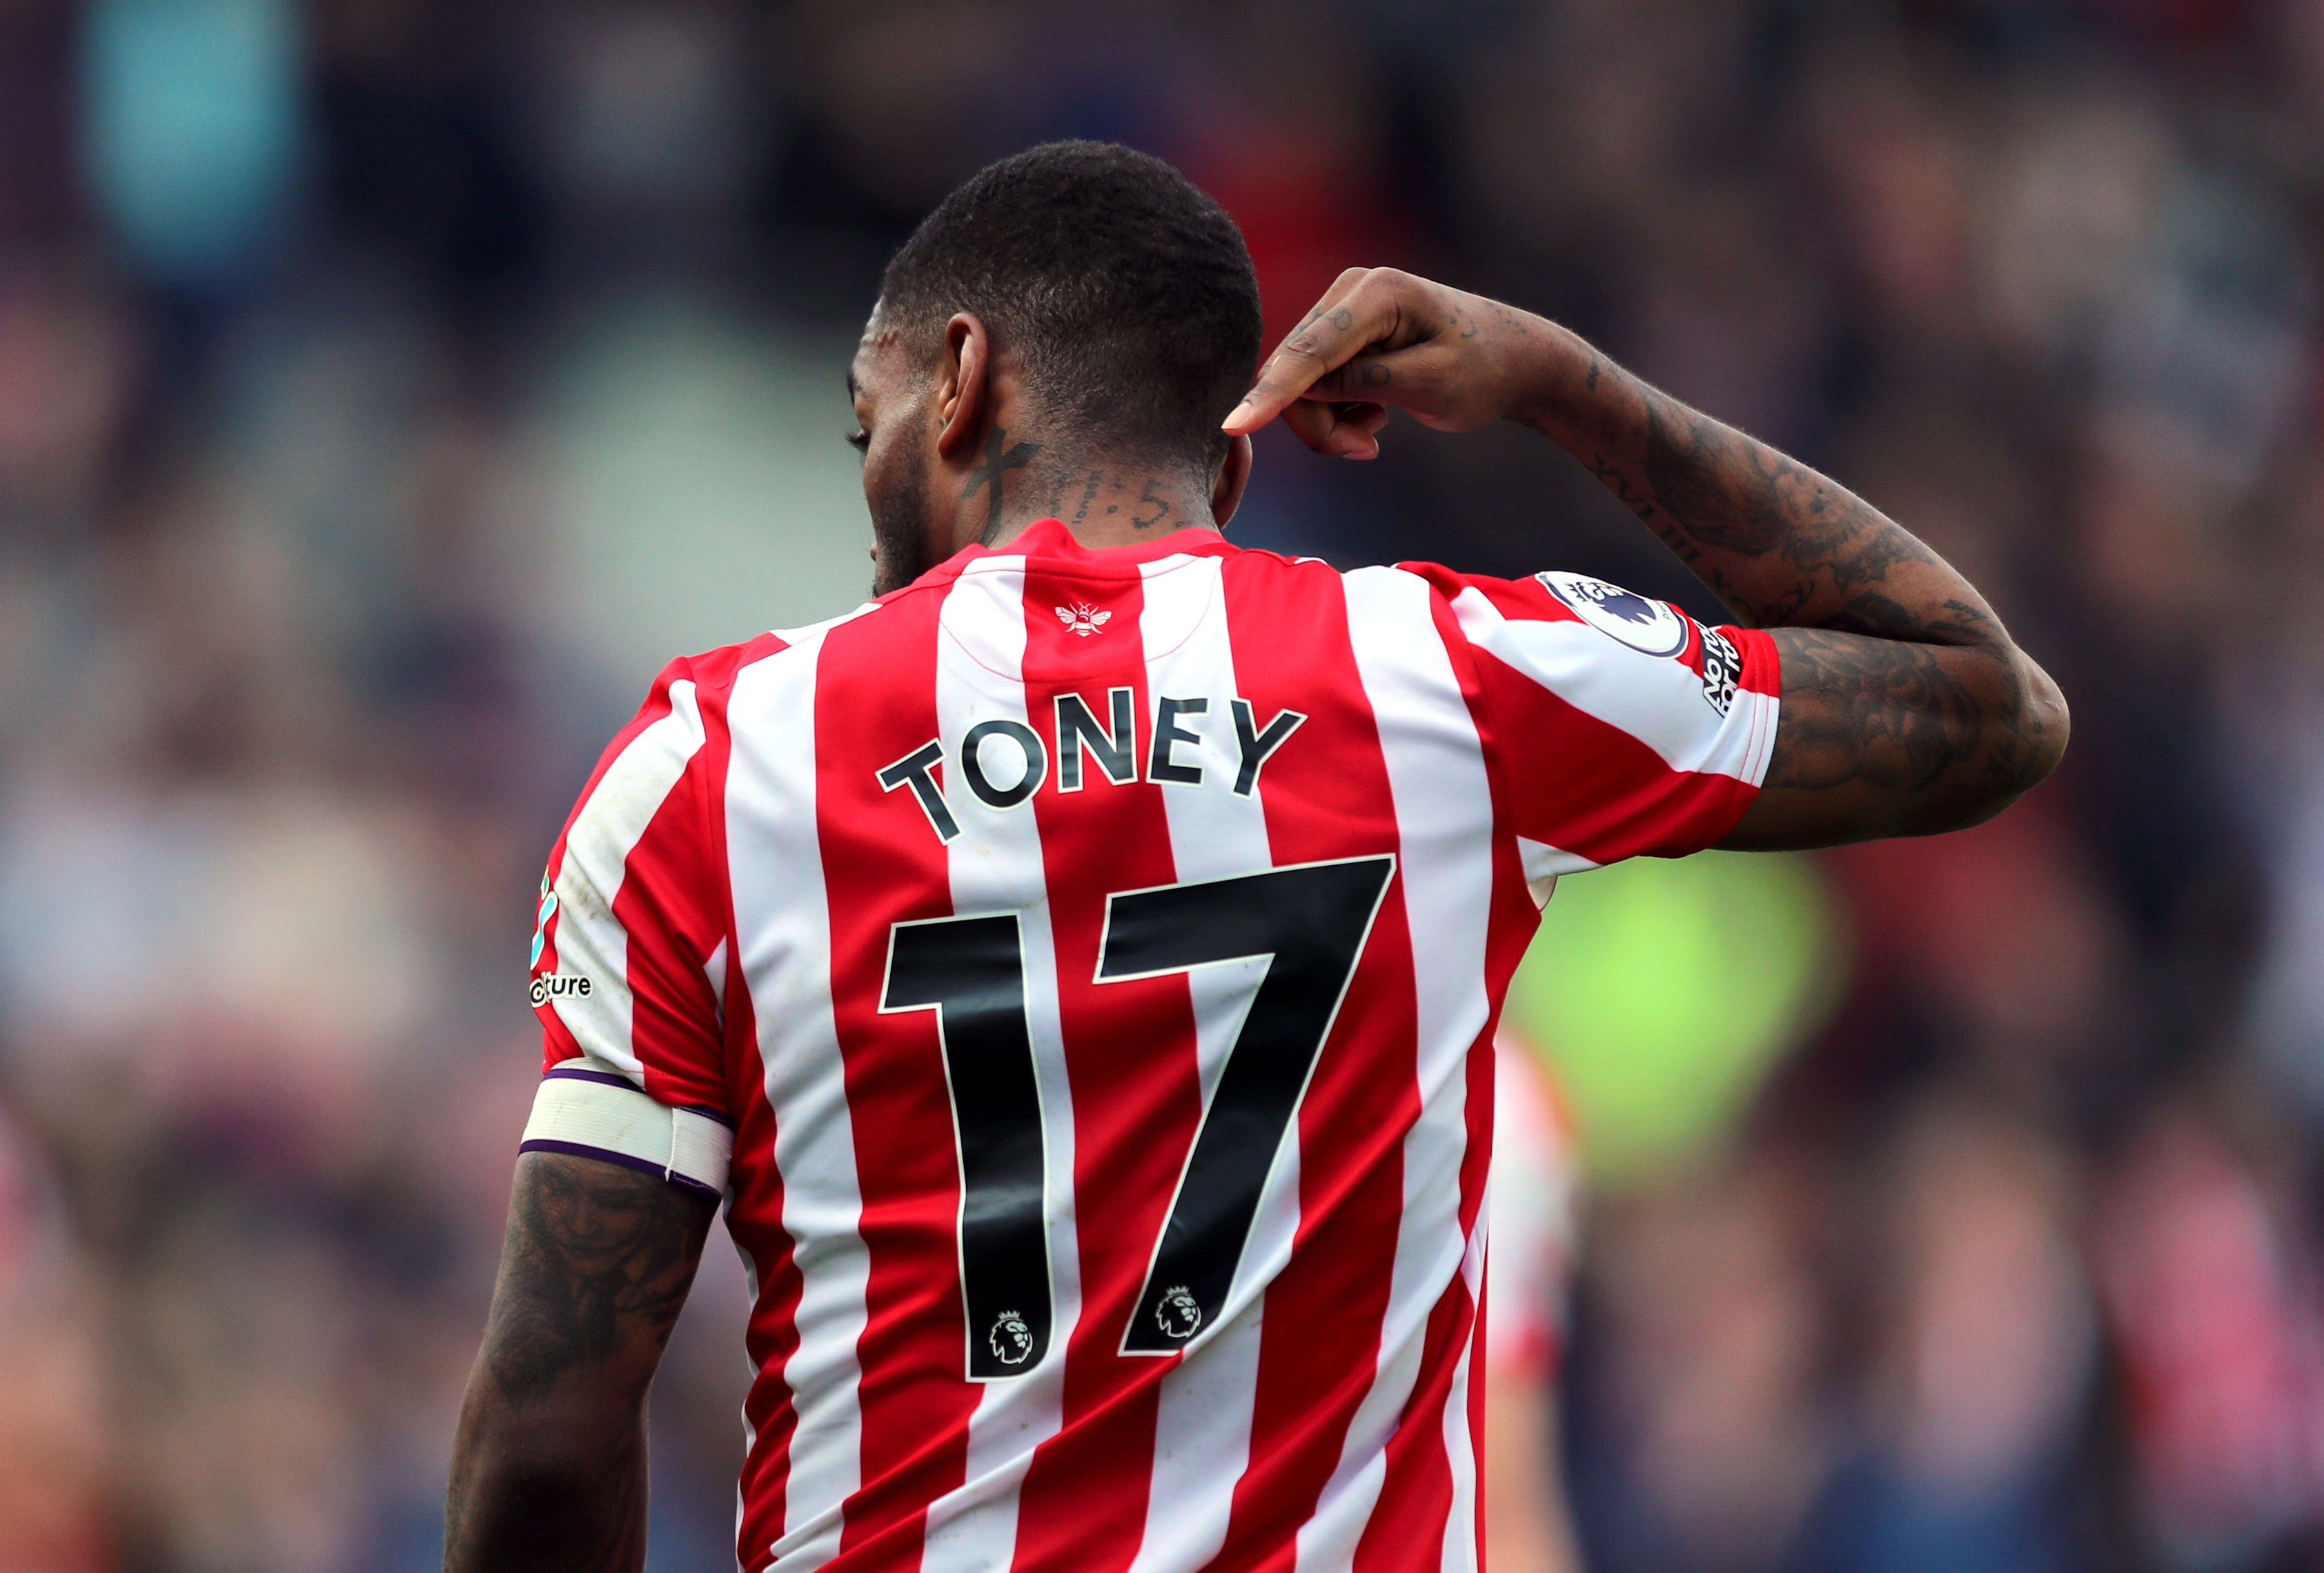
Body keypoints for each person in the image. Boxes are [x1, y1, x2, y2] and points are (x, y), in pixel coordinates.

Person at [443, 141, 2066, 1573]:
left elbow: (545, 1436)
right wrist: (1571, 385)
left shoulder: (710, 770)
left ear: (957, 376)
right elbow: (1985, 707)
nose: (870, 498)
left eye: (863, 423)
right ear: (1226, 466)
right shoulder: (1454, 685)